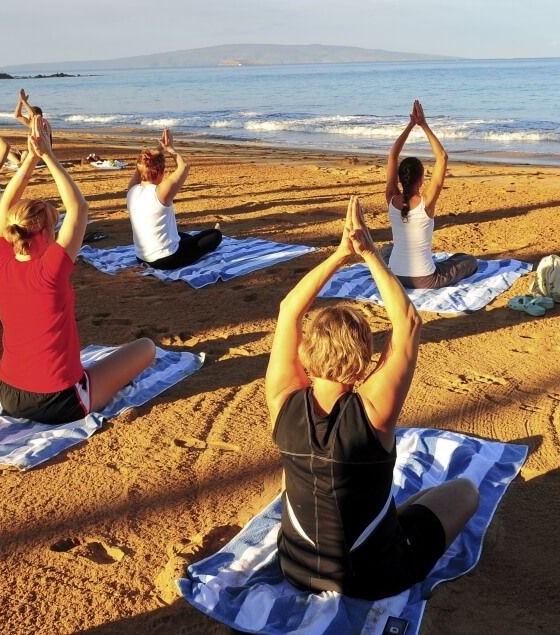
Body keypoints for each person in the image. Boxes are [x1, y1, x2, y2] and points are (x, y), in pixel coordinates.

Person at [266, 196, 480, 599]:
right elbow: (408, 322)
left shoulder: (283, 399)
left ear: (306, 351)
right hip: (372, 576)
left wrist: (338, 256)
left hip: (295, 567)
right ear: (365, 357)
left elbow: (288, 310)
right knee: (464, 491)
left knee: (391, 503)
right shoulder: (374, 410)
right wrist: (369, 254)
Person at [0, 115, 155, 424]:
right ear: (46, 233)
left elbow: (5, 204)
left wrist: (29, 161)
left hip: (9, 395)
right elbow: (79, 207)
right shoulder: (51, 268)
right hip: (60, 401)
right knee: (146, 348)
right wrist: (47, 154)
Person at [382, 100, 477, 289]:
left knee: (387, 249)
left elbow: (392, 156)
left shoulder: (391, 198)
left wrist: (411, 125)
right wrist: (423, 124)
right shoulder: (426, 202)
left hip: (394, 277)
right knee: (468, 260)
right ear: (421, 180)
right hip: (426, 279)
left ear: (401, 178)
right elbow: (442, 156)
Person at [125, 128, 221, 270]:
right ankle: (214, 233)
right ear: (160, 172)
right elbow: (184, 167)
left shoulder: (132, 190)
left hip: (141, 257)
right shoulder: (161, 192)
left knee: (180, 235)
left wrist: (159, 149)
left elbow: (140, 169)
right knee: (214, 236)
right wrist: (171, 150)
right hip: (166, 259)